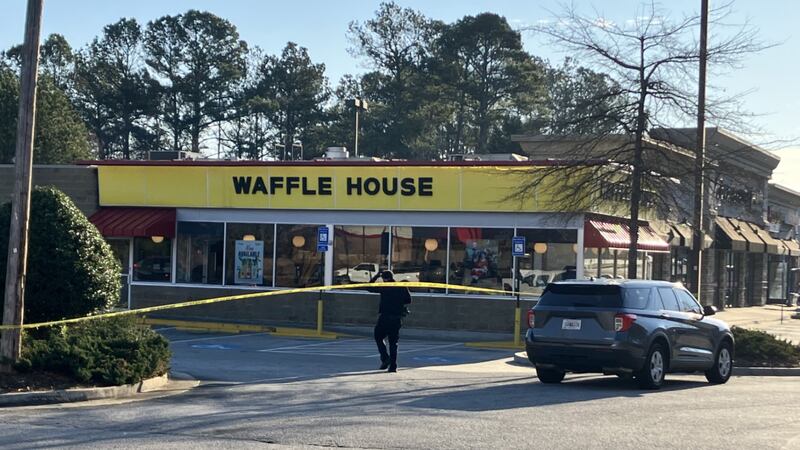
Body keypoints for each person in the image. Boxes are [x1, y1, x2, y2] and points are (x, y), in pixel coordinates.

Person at [366, 269, 411, 373]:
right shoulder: (402, 286)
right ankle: (393, 366)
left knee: (378, 336)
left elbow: (368, 287)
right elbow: (409, 300)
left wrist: (376, 276)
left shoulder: (384, 287)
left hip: (385, 317)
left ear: (384, 278)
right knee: (393, 343)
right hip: (397, 318)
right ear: (392, 276)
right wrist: (399, 302)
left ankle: (385, 358)